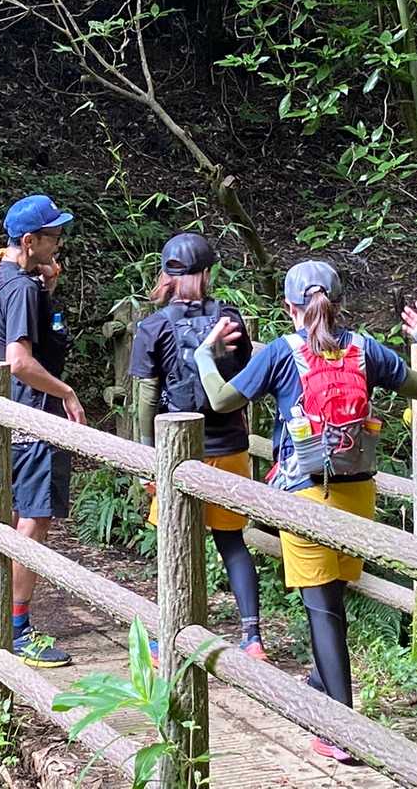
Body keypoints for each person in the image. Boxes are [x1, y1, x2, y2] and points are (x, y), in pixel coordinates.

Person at [194, 260, 417, 764]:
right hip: (359, 491)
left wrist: (204, 353)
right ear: (339, 302)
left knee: (323, 610)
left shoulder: (282, 352)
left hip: (305, 493)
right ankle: (319, 683)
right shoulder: (365, 348)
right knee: (333, 601)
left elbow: (220, 401)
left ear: (290, 308)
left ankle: (340, 731)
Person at [128, 233, 266, 663]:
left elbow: (147, 397)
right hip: (229, 444)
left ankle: (171, 633)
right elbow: (243, 380)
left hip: (176, 452)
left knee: (174, 543)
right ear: (207, 273)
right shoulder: (231, 321)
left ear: (166, 274)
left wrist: (147, 458)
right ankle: (252, 637)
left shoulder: (153, 326)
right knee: (232, 542)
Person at [0, 194, 86, 668]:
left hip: (7, 416)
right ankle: (17, 630)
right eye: (54, 236)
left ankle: (1, 616)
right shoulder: (19, 288)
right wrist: (67, 392)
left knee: (16, 517)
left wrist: (48, 288)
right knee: (33, 522)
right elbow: (18, 361)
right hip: (31, 416)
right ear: (30, 241)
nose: (60, 243)